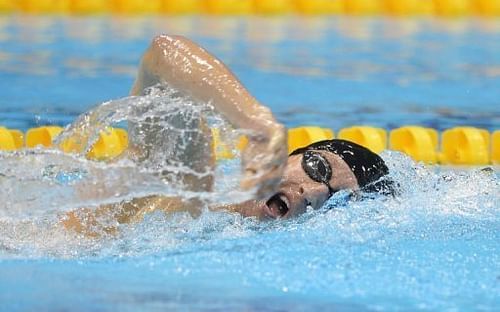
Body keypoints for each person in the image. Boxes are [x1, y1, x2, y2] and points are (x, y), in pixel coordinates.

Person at [62, 35, 393, 236]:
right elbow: (163, 54)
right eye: (319, 168)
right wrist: (257, 123)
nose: (317, 192)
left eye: (337, 201)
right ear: (289, 155)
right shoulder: (182, 172)